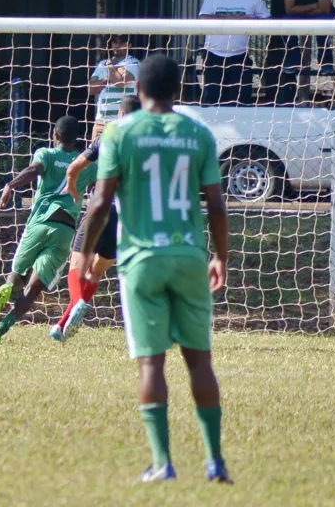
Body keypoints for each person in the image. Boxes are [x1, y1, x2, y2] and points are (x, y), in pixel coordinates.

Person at [78, 54, 231, 484]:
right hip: (187, 257)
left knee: (152, 365)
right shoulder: (197, 133)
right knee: (199, 361)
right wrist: (220, 256)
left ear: (139, 91)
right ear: (178, 91)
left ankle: (163, 463)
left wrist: (89, 253)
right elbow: (216, 205)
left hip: (141, 259)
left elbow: (101, 201)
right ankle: (214, 461)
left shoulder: (120, 132)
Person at [0, 115, 96, 344]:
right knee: (34, 289)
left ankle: (8, 286)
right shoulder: (86, 165)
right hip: (65, 230)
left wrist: (10, 185)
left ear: (55, 135)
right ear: (77, 139)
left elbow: (33, 170)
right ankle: (0, 330)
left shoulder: (46, 154)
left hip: (39, 222)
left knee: (17, 274)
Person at [50, 94, 142, 342]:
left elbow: (75, 167)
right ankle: (61, 325)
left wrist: (71, 185)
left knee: (77, 267)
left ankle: (78, 303)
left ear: (120, 114)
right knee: (97, 271)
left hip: (99, 208)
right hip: (125, 215)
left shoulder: (109, 136)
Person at [198, 0, 269, 105]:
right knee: (213, 98)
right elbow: (203, 18)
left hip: (240, 54)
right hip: (213, 54)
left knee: (242, 99)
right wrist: (227, 19)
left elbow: (267, 20)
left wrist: (250, 20)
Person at [87, 35, 139, 140]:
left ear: (129, 45)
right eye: (115, 42)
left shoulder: (134, 63)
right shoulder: (102, 64)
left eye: (121, 43)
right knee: (94, 156)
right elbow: (91, 89)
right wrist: (109, 78)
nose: (117, 46)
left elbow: (119, 82)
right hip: (101, 123)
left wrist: (110, 66)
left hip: (122, 122)